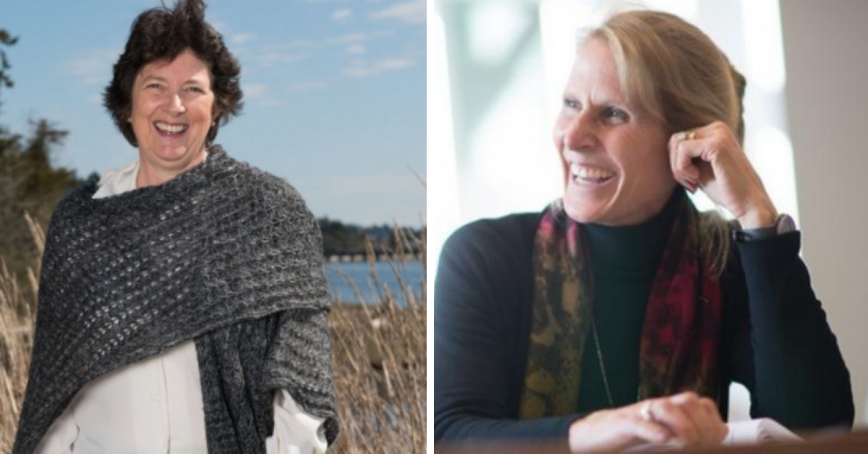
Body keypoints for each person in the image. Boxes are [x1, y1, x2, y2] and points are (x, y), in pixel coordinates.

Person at [434, 9, 853, 452]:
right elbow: (450, 435)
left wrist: (756, 216)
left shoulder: (724, 266)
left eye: (613, 113)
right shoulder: (483, 256)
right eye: (571, 104)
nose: (573, 137)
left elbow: (819, 430)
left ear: (686, 144)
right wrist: (604, 429)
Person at [12, 1, 339, 453]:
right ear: (127, 104)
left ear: (217, 105)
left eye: (193, 88)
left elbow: (302, 389)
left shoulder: (269, 213)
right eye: (155, 86)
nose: (175, 106)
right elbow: (57, 391)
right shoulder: (81, 223)